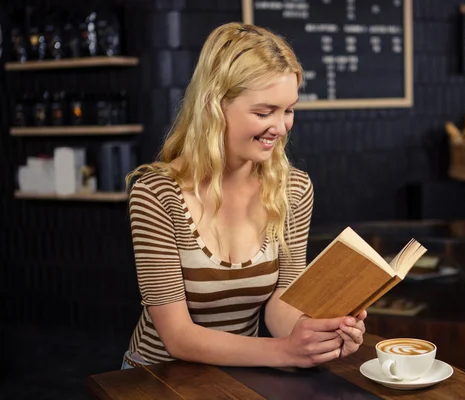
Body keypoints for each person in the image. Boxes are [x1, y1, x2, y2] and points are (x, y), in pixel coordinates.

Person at [121, 22, 367, 370]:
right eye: (264, 112)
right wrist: (284, 352)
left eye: (288, 110)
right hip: (157, 376)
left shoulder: (293, 190)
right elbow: (177, 336)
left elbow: (283, 301)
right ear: (214, 106)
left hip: (242, 375)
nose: (280, 128)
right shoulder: (156, 194)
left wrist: (313, 336)